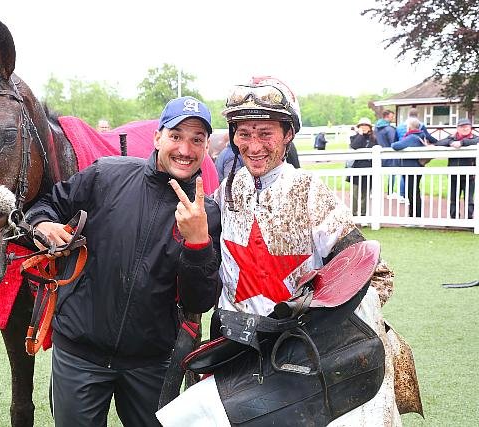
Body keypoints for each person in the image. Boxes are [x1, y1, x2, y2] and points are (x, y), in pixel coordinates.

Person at [157, 77, 400, 426]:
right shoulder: (225, 192)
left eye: (265, 133)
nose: (254, 145)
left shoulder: (309, 192)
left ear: (288, 134)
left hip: (295, 357)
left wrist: (318, 322)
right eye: (244, 133)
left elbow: (377, 277)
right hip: (231, 350)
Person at [25, 96, 222, 427]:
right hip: (79, 353)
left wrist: (198, 243)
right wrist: (42, 224)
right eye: (176, 136)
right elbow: (46, 204)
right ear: (157, 137)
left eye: (196, 140)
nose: (185, 149)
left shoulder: (207, 213)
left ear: (205, 147)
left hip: (152, 362)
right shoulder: (107, 174)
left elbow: (198, 302)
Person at [435, 118, 478, 219]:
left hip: (469, 175)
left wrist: (462, 142)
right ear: (457, 128)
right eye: (462, 127)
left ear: (470, 128)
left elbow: (476, 141)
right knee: (453, 198)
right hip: (453, 174)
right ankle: (453, 217)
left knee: (469, 199)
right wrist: (451, 142)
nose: (464, 128)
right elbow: (439, 143)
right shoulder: (452, 137)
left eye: (466, 126)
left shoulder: (474, 138)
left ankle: (469, 218)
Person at [391, 117, 431, 218]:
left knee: (412, 193)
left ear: (409, 127)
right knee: (414, 192)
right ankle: (414, 216)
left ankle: (415, 217)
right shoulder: (421, 135)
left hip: (411, 168)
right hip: (416, 167)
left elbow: (396, 146)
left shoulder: (412, 137)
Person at [350, 117, 377, 216]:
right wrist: (360, 135)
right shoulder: (355, 137)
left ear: (370, 127)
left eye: (366, 125)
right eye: (362, 125)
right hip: (357, 168)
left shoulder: (374, 138)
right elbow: (354, 146)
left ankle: (363, 214)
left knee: (365, 194)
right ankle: (353, 214)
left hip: (369, 168)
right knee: (355, 194)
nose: (364, 127)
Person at [375, 110, 398, 195]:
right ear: (387, 116)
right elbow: (393, 142)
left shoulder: (376, 128)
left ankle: (375, 191)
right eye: (392, 116)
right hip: (389, 153)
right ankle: (390, 192)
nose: (393, 118)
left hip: (378, 152)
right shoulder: (389, 129)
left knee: (377, 173)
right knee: (392, 173)